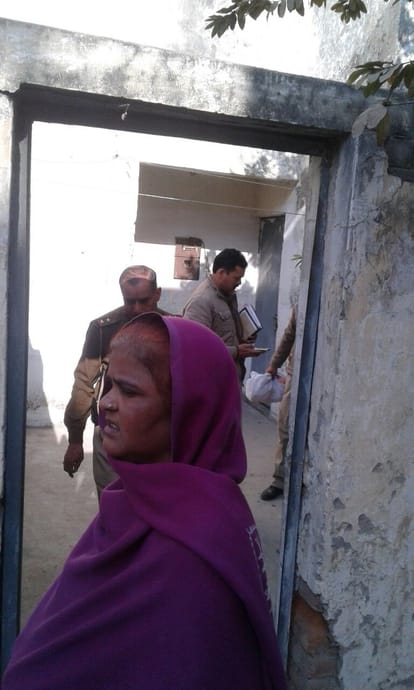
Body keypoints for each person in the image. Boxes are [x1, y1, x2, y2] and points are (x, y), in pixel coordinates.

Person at [3, 314, 288, 690]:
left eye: (129, 391)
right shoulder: (135, 497)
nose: (106, 403)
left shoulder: (192, 553)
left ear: (188, 410)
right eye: (108, 384)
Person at [63, 264, 168, 497]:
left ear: (157, 294)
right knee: (113, 500)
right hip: (111, 430)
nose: (137, 309)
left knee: (156, 503)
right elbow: (84, 383)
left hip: (158, 435)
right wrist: (75, 440)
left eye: (144, 301)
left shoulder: (174, 328)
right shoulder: (103, 329)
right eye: (129, 301)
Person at [183, 247, 262, 380]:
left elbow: (224, 334)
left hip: (229, 379)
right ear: (221, 272)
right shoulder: (201, 301)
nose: (239, 282)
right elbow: (196, 348)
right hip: (212, 382)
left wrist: (243, 337)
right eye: (236, 278)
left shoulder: (227, 295)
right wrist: (237, 351)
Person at [261, 305, 297, 501]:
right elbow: (288, 336)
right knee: (285, 428)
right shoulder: (300, 307)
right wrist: (273, 365)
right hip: (295, 374)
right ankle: (279, 481)